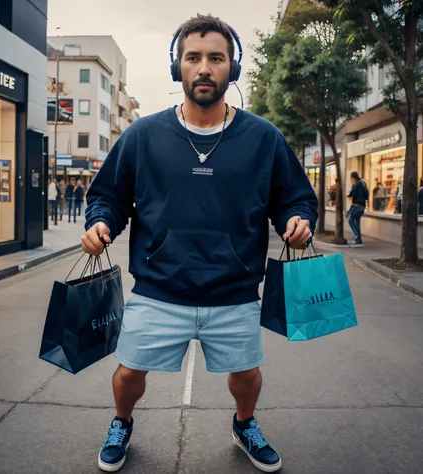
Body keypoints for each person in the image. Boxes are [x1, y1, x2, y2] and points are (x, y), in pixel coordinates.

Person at [82, 14, 318, 473]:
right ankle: (122, 422)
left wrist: (298, 219)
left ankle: (244, 423)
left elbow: (294, 198)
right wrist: (100, 224)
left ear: (233, 68)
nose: (205, 68)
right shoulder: (142, 135)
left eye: (216, 58)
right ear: (178, 68)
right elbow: (108, 196)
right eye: (194, 58)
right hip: (159, 288)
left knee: (247, 375)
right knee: (129, 371)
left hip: (234, 291)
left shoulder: (263, 138)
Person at [347, 171, 368, 245]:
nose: (351, 180)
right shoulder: (363, 182)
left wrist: (349, 195)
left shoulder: (357, 184)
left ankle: (357, 235)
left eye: (351, 178)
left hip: (356, 205)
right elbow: (366, 195)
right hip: (362, 206)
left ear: (353, 178)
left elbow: (352, 193)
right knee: (357, 222)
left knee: (350, 220)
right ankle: (358, 240)